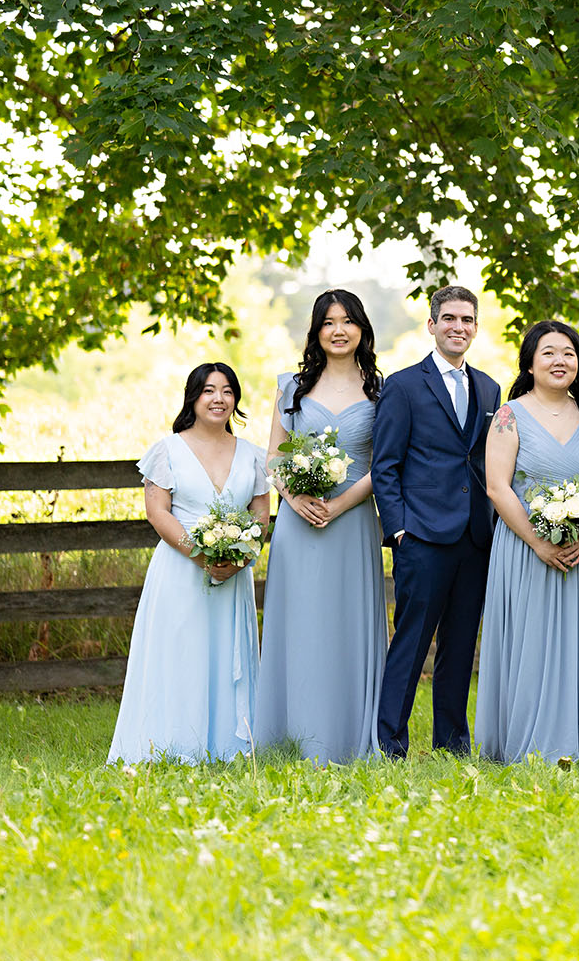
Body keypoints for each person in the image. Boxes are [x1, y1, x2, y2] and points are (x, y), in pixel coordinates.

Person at [476, 321, 579, 763]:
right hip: (525, 550)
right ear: (530, 363)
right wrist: (538, 543)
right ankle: (527, 743)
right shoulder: (509, 415)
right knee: (530, 643)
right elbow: (497, 487)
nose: (560, 361)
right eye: (549, 353)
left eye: (569, 353)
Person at [110, 363, 269, 764]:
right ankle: (171, 745)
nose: (219, 399)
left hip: (233, 577)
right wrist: (202, 555)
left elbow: (260, 517)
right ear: (193, 397)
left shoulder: (251, 455)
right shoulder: (168, 450)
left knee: (223, 654)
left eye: (228, 391)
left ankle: (227, 747)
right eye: (209, 390)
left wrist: (238, 557)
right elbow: (158, 512)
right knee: (180, 652)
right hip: (180, 570)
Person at [254, 289, 387, 764]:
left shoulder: (379, 389)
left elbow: (383, 463)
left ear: (361, 329)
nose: (338, 330)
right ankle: (289, 736)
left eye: (348, 320)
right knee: (300, 624)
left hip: (352, 524)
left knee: (348, 624)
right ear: (315, 330)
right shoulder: (292, 386)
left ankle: (351, 738)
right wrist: (297, 498)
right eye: (328, 321)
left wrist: (339, 505)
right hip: (298, 523)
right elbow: (273, 455)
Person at [373, 286, 503, 758]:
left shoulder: (490, 388)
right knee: (410, 644)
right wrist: (400, 529)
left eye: (467, 320)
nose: (458, 327)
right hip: (422, 536)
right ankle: (389, 743)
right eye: (448, 318)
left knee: (460, 645)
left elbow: (487, 461)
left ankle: (452, 744)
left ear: (475, 326)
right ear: (431, 325)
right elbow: (385, 465)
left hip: (474, 536)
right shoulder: (404, 386)